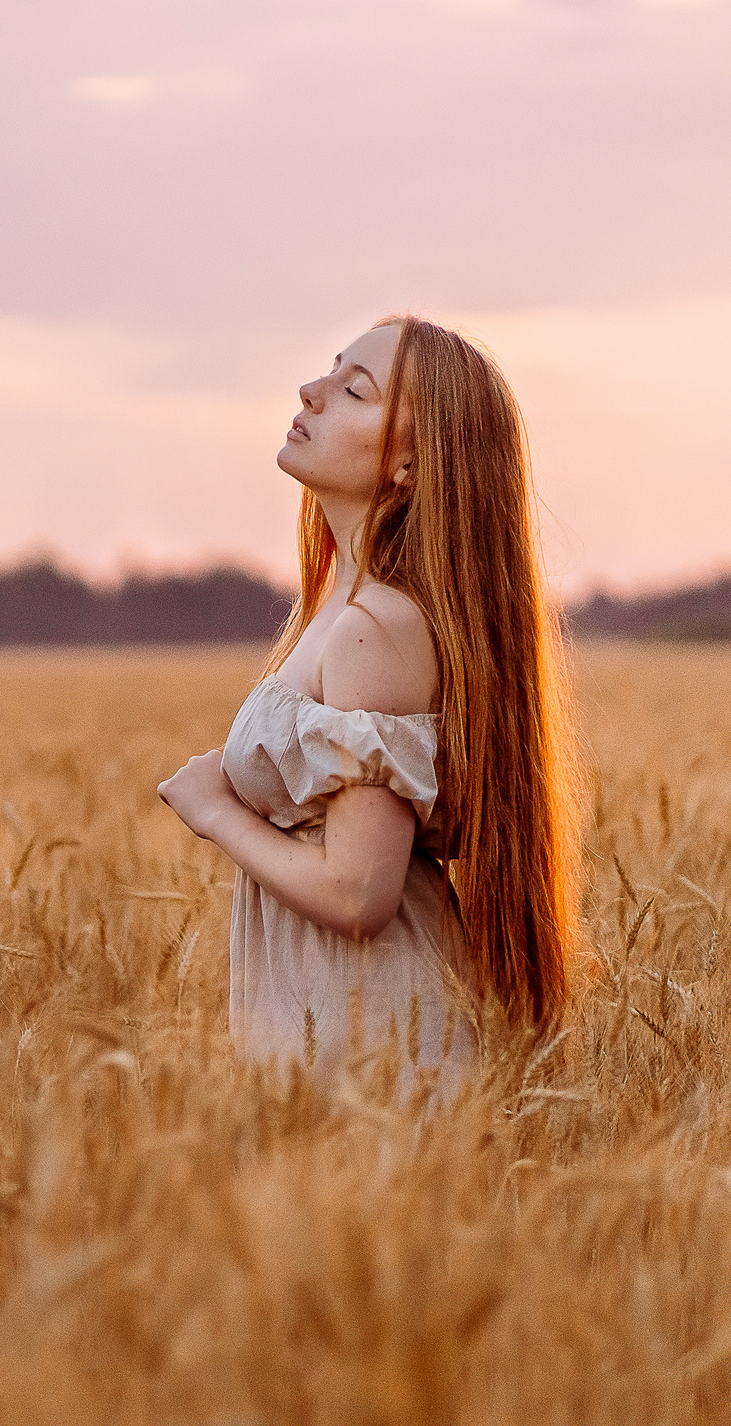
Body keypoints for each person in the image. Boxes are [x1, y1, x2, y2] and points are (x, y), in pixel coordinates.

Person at [157, 316, 580, 1088]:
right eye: (331, 371)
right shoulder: (344, 608)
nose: (311, 393)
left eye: (355, 390)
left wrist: (216, 811)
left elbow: (360, 893)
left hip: (378, 1043)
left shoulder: (373, 629)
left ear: (411, 467)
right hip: (344, 1026)